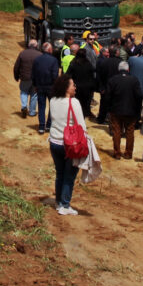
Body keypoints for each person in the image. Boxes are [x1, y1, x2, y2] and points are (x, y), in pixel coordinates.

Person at [48, 74, 85, 215]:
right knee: (69, 176)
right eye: (72, 85)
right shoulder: (74, 103)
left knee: (60, 173)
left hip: (54, 142)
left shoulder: (53, 100)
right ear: (66, 88)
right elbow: (81, 125)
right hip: (70, 145)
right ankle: (64, 204)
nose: (75, 87)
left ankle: (58, 201)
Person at [106, 61, 143, 159]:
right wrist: (138, 110)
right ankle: (128, 153)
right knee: (130, 132)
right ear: (128, 69)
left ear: (119, 69)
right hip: (131, 111)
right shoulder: (134, 80)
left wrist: (109, 109)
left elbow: (107, 96)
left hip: (116, 110)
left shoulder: (113, 80)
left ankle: (117, 153)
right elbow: (139, 96)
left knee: (116, 131)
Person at [32, 42, 60, 135]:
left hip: (40, 86)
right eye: (51, 48)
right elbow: (55, 75)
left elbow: (34, 74)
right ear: (49, 50)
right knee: (53, 106)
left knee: (41, 106)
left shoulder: (37, 60)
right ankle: (48, 125)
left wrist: (35, 85)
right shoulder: (54, 60)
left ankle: (41, 127)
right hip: (51, 87)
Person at [13, 40, 42, 119]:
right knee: (34, 94)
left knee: (24, 92)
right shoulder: (40, 55)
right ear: (36, 46)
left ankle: (24, 106)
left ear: (29, 45)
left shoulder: (22, 53)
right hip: (36, 79)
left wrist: (16, 76)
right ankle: (32, 112)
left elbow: (16, 67)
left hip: (25, 77)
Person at [67, 48, 97, 119]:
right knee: (85, 105)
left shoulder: (73, 63)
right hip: (87, 88)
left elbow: (68, 75)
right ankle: (82, 119)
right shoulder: (88, 64)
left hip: (77, 88)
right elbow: (92, 75)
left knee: (77, 105)